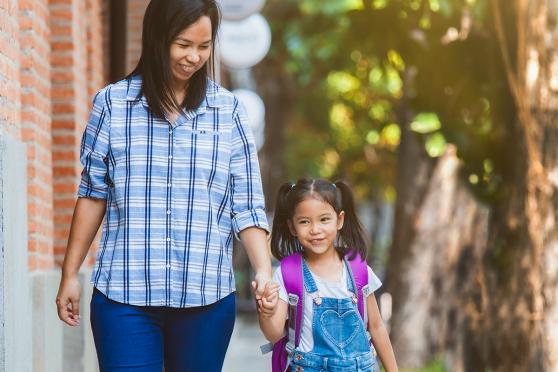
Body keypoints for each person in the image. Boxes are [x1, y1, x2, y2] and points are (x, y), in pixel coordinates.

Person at [55, 1, 272, 371]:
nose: (194, 57)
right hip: (124, 297)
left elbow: (247, 205)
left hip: (206, 298)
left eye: (204, 47)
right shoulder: (112, 105)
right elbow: (92, 195)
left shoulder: (229, 111)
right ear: (157, 38)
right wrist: (70, 275)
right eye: (183, 44)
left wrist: (264, 272)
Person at [256, 178, 398, 372]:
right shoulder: (287, 273)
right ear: (292, 227)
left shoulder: (358, 268)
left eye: (324, 219)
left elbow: (376, 327)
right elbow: (274, 335)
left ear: (339, 220)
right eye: (305, 222)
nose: (315, 230)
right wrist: (266, 313)